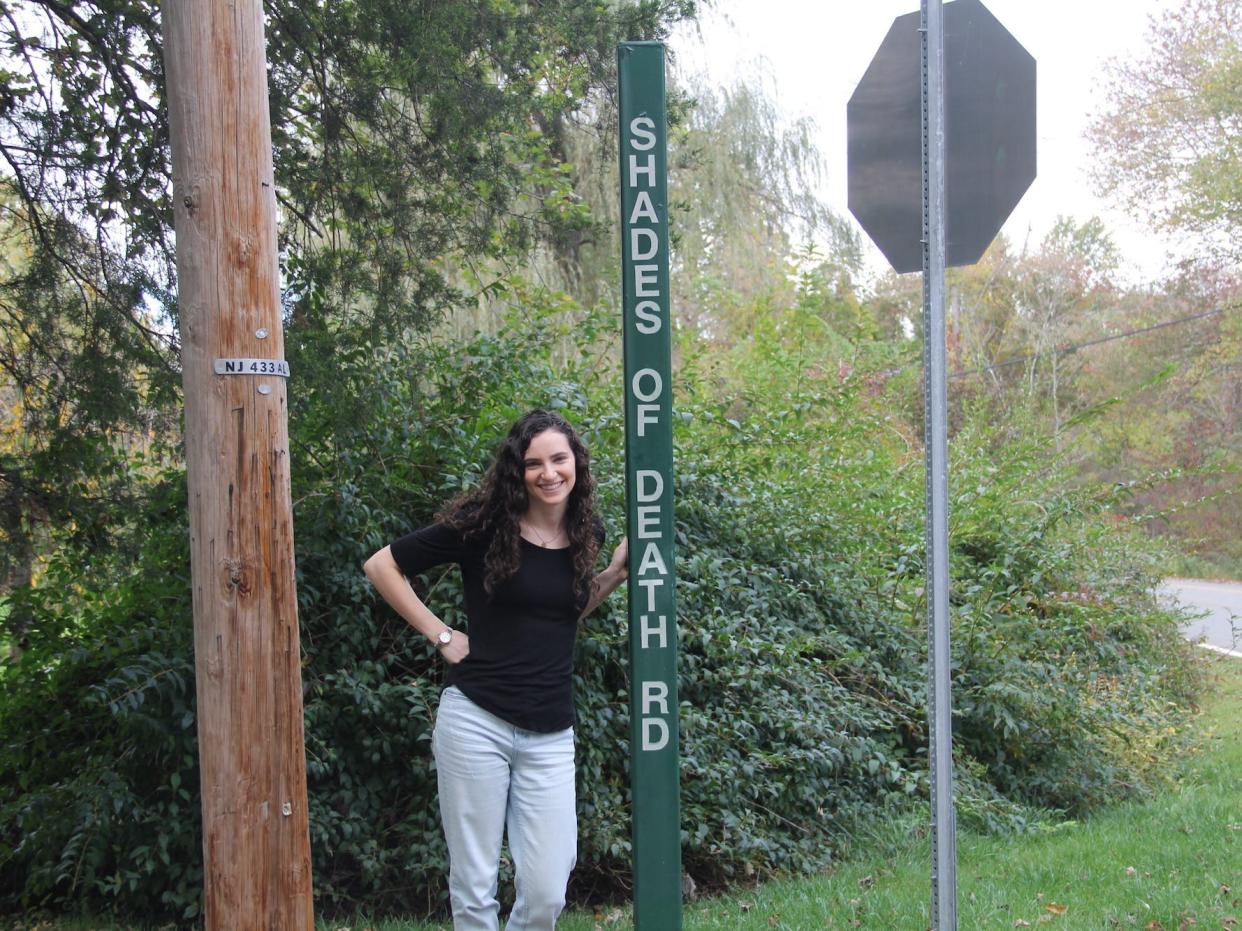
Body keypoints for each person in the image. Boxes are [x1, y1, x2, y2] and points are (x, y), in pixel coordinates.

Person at [363, 409, 628, 931]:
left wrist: (615, 574)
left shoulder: (586, 531)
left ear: (576, 462)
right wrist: (440, 634)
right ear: (518, 471)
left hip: (550, 731)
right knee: (475, 882)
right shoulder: (484, 526)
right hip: (475, 721)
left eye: (559, 459)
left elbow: (563, 610)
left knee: (549, 889)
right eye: (534, 464)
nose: (549, 473)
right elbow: (381, 565)